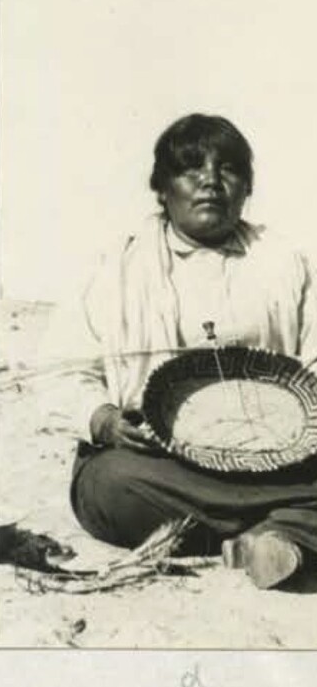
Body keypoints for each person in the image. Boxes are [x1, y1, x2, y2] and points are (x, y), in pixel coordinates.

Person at [50, 112, 317, 589]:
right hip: (158, 464)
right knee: (107, 485)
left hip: (277, 461)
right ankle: (281, 530)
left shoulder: (286, 262)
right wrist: (104, 420)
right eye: (191, 168)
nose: (211, 181)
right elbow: (63, 371)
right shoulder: (114, 267)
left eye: (228, 168)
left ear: (247, 186)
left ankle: (266, 536)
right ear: (162, 187)